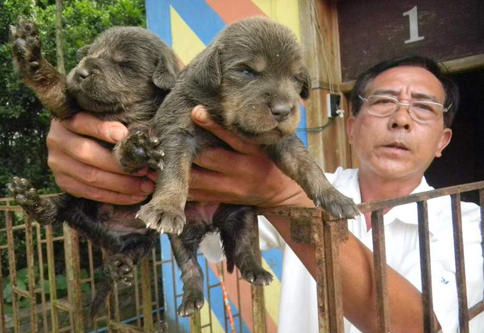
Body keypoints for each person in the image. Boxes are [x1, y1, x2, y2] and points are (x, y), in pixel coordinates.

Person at [45, 55, 484, 332]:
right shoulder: (287, 180)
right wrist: (106, 142)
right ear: (351, 125)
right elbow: (214, 235)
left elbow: (424, 327)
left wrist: (284, 196)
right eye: (384, 101)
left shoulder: (465, 223)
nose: (401, 119)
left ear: (444, 140)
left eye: (424, 107)